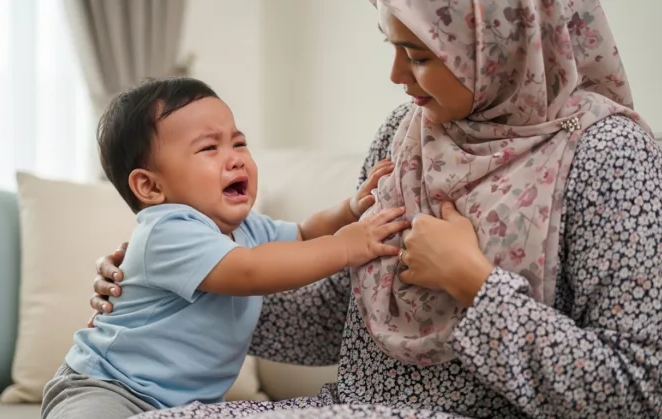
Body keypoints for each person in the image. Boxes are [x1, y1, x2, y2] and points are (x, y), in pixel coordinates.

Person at [89, 0, 662, 418]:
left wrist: (474, 284)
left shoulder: (609, 154)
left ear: (500, 43)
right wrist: (170, 291)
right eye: (394, 47)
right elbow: (338, 319)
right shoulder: (409, 131)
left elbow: (638, 390)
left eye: (417, 55)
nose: (395, 77)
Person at [41, 77, 409, 419]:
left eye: (238, 142)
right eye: (209, 148)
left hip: (180, 407)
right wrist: (344, 248)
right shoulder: (168, 230)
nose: (235, 157)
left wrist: (349, 210)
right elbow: (249, 271)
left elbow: (302, 234)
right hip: (106, 388)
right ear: (150, 188)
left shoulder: (247, 227)